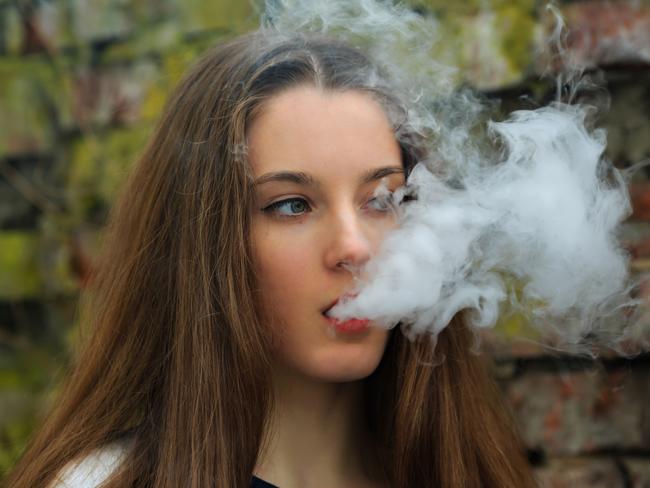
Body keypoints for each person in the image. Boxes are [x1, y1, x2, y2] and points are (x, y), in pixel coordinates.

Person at [6, 30, 536, 488]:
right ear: (205, 243)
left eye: (381, 200)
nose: (354, 248)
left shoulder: (466, 471)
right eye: (291, 206)